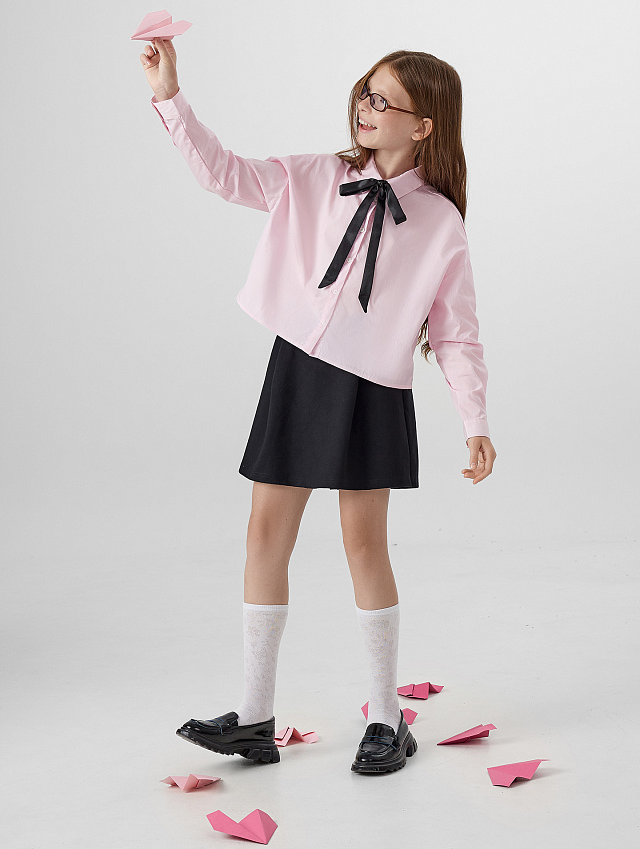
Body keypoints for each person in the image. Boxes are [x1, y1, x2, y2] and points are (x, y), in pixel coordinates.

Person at [139, 38, 497, 775]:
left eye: (384, 100)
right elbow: (224, 173)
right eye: (365, 91)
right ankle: (254, 717)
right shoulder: (316, 176)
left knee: (364, 546)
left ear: (423, 124)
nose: (367, 107)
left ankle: (387, 718)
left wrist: (475, 422)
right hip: (299, 373)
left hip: (374, 390)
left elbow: (455, 332)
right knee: (264, 534)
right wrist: (170, 96)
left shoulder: (440, 223)